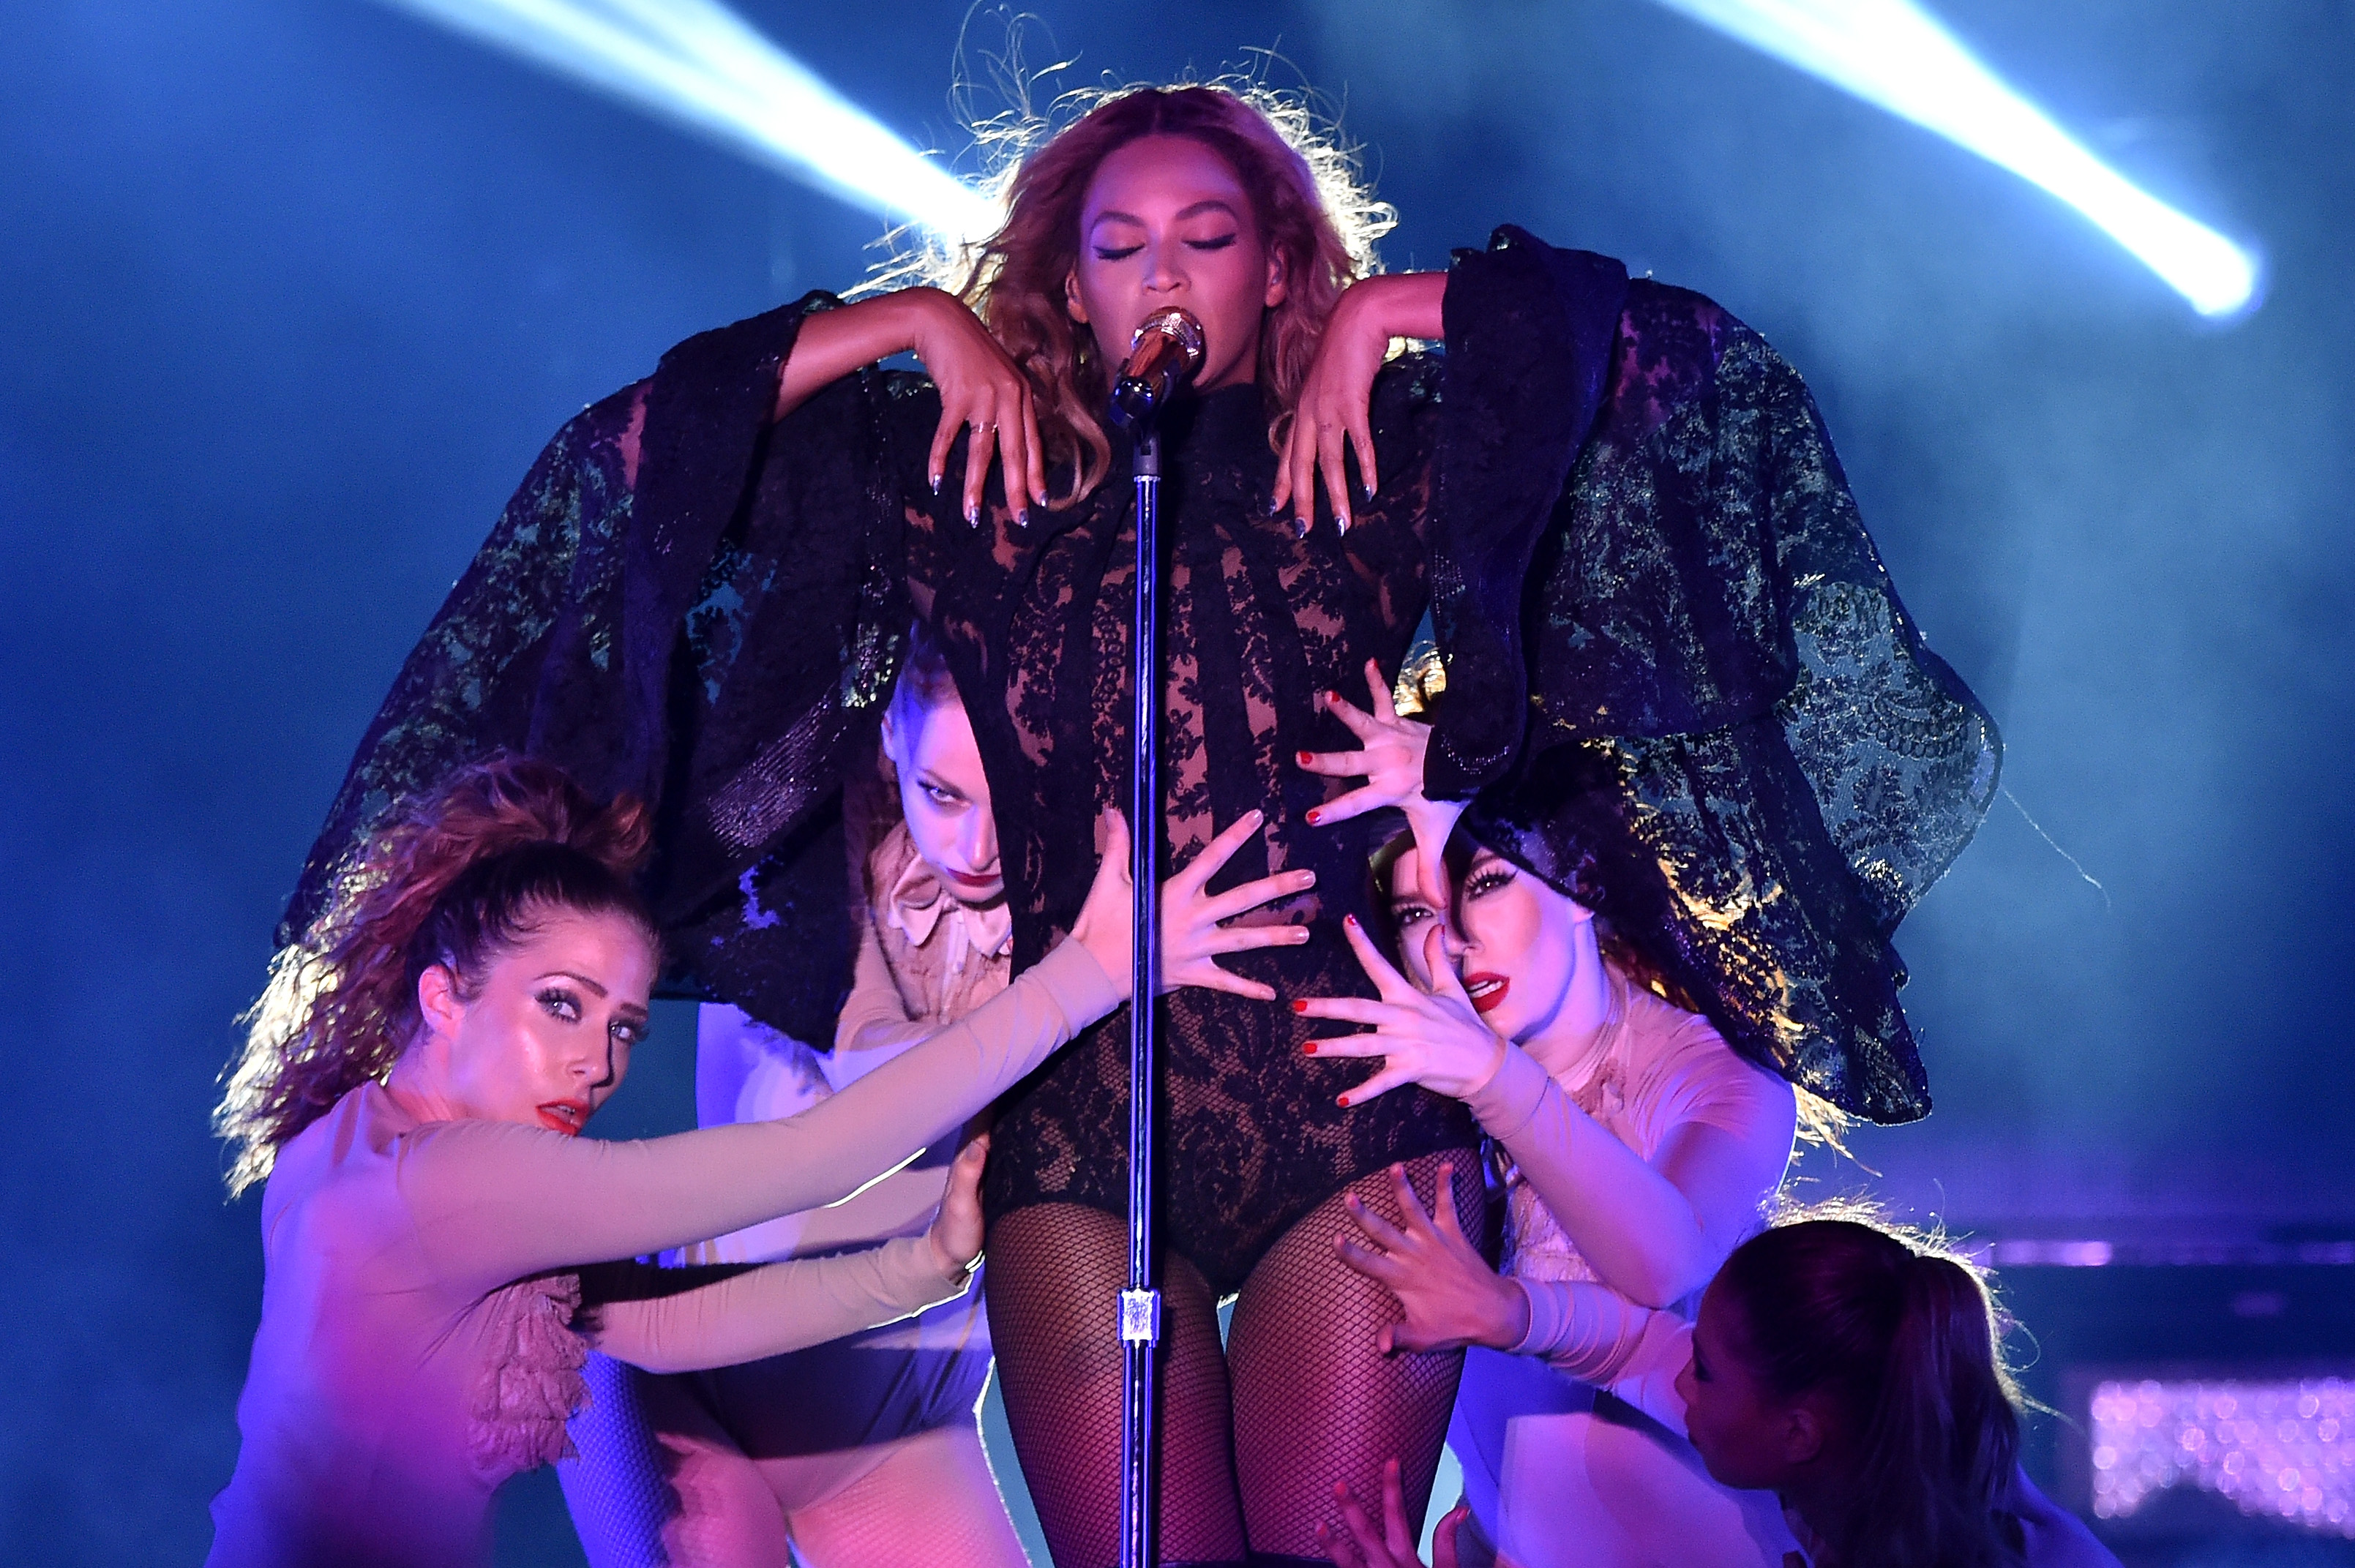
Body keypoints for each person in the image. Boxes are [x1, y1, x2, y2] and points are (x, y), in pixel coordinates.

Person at [280, 75, 1998, 1563]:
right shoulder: (977, 473)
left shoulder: (1370, 454)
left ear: (1271, 262)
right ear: (1066, 279)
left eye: (1205, 235)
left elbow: (1674, 370)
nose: (1161, 273)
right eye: (1116, 244)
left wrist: (1396, 318)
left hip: (1344, 1109)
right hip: (1081, 1132)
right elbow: (647, 452)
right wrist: (906, 327)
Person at [206, 755, 1130, 1567]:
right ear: (445, 996)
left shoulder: (347, 1142)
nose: (597, 1064)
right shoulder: (441, 1183)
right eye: (561, 1005)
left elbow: (668, 1326)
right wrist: (1087, 971)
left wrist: (918, 1265)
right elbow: (813, 1156)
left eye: (624, 1028)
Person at [560, 622, 1308, 1567]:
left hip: (906, 1409)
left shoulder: (1106, 905)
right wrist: (1093, 976)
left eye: (1009, 799)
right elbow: (873, 1079)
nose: (976, 844)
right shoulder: (809, 858)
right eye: (942, 793)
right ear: (888, 751)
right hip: (681, 1365)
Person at [1294, 798, 1804, 1567]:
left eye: (1487, 883)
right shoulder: (1417, 1127)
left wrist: (1495, 1079)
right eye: (1412, 912)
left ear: (1578, 882)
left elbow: (1663, 1267)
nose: (1454, 942)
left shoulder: (1717, 1077)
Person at [1320, 1217, 2121, 1568]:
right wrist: (1507, 1310)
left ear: (1797, 1434)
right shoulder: (1883, 1448)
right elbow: (1638, 1344)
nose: (1676, 1382)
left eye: (1703, 1370)